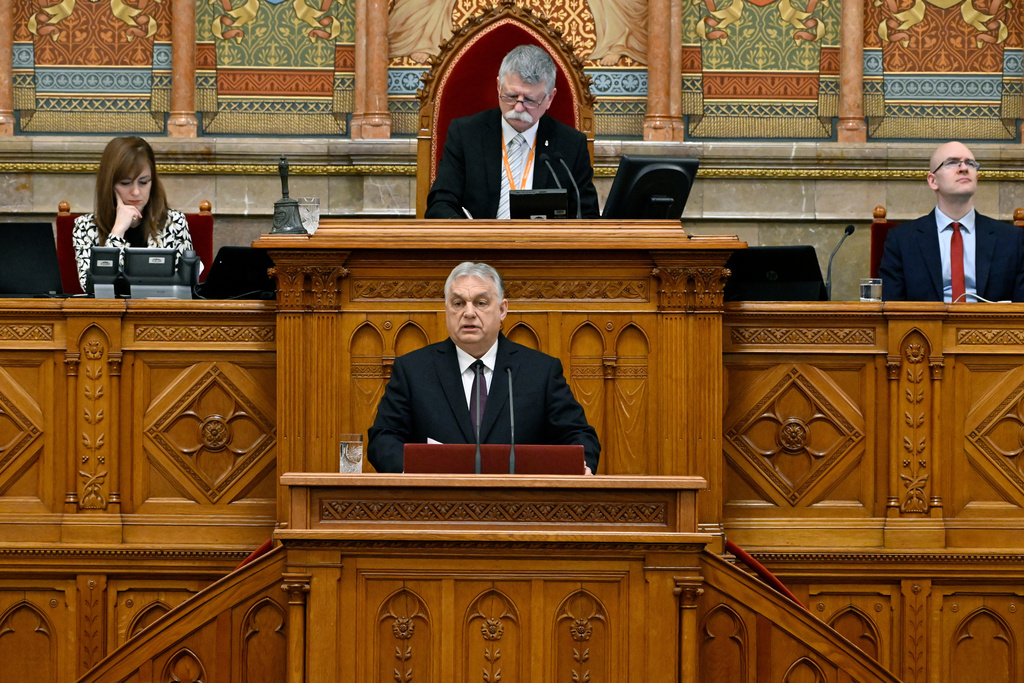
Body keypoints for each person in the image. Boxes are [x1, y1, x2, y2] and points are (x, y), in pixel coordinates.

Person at [368, 262, 601, 474]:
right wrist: (420, 472)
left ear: (502, 310)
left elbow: (577, 435)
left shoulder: (540, 371)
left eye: (480, 303)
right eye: (458, 303)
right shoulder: (414, 370)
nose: (469, 313)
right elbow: (383, 439)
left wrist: (583, 467)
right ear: (447, 309)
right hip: (436, 506)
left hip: (520, 509)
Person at [425, 44, 600, 220]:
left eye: (530, 100)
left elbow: (587, 216)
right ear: (498, 87)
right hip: (478, 245)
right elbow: (440, 204)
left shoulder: (571, 145)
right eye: (510, 96)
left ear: (549, 98)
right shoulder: (465, 134)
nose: (518, 107)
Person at [878, 140, 1024, 303]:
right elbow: (892, 308)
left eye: (970, 163)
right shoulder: (902, 240)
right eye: (952, 163)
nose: (963, 168)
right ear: (933, 181)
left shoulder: (1011, 239)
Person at [73, 136, 195, 291]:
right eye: (125, 183)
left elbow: (185, 288)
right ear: (109, 185)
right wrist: (117, 232)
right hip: (110, 313)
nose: (136, 192)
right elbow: (91, 288)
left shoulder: (175, 222)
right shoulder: (85, 227)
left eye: (144, 182)